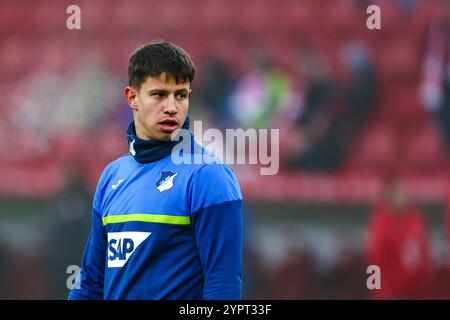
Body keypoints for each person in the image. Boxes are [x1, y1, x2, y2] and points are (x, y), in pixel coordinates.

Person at [68, 40, 243, 300]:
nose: (172, 107)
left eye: (180, 95)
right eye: (159, 94)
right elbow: (91, 283)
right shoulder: (112, 176)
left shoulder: (208, 175)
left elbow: (223, 285)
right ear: (132, 98)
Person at [366, 177, 433, 299]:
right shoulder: (380, 222)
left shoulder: (416, 220)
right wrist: (377, 292)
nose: (404, 195)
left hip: (415, 291)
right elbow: (374, 260)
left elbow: (424, 257)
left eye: (404, 191)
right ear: (389, 196)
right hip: (389, 292)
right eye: (399, 192)